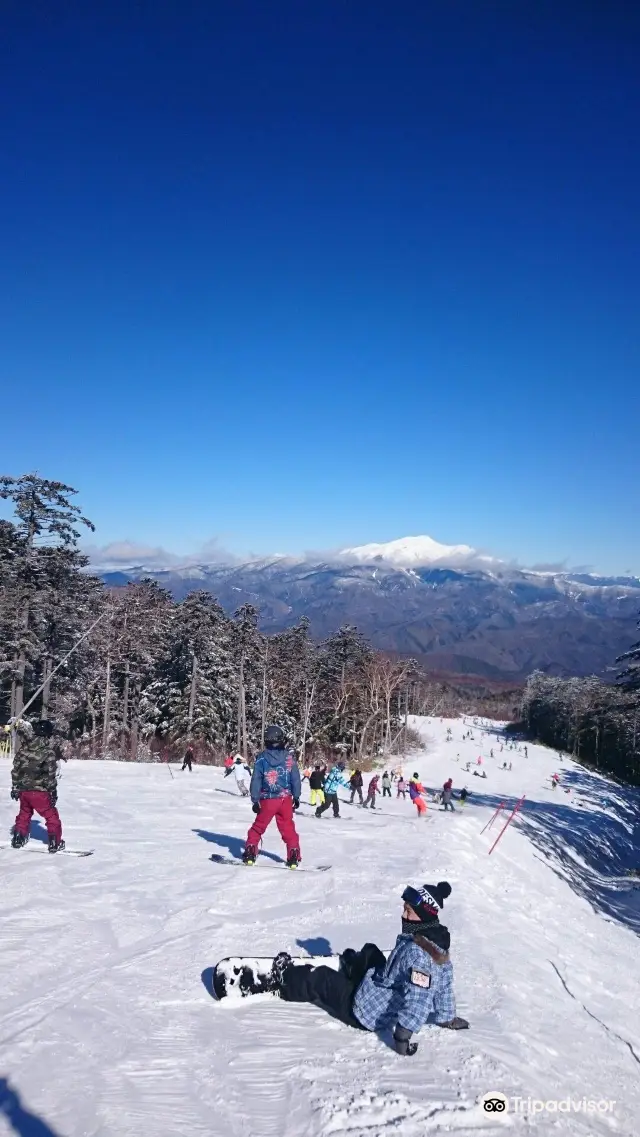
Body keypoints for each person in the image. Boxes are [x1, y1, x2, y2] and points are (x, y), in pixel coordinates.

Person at [268, 881, 467, 1051]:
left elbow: (419, 998)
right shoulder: (433, 942)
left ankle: (285, 978)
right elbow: (444, 985)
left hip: (364, 1011)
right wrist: (446, 1017)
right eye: (404, 908)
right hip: (378, 988)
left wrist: (402, 1036)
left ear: (424, 916)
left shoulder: (418, 957)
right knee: (370, 951)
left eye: (409, 911)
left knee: (321, 979)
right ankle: (351, 969)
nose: (404, 915)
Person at [243, 726, 301, 868]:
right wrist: (297, 796)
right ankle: (293, 854)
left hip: (268, 800)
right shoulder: (289, 757)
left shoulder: (261, 758)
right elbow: (295, 778)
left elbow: (256, 779)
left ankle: (250, 851)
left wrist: (255, 799)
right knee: (288, 828)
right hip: (285, 799)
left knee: (258, 827)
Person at [10, 719, 65, 853]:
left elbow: (16, 770)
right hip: (40, 792)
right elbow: (50, 774)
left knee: (24, 813)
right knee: (51, 816)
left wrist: (15, 787)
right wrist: (52, 791)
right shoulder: (48, 752)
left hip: (24, 791)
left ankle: (18, 837)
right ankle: (54, 842)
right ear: (48, 735)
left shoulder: (23, 750)